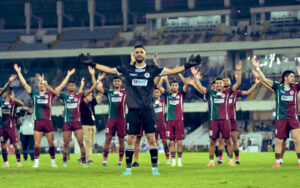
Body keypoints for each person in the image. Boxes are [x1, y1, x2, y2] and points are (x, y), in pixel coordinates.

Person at [77, 45, 201, 176]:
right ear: (134, 55)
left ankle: (154, 168)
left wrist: (187, 65)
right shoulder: (127, 69)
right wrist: (92, 63)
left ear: (145, 55)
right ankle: (128, 169)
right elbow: (108, 69)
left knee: (152, 139)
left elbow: (172, 71)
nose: (139, 54)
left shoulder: (152, 69)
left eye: (141, 52)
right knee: (130, 139)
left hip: (148, 110)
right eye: (137, 52)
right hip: (133, 111)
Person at [37, 70, 99, 167]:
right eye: (69, 86)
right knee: (66, 143)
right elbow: (53, 91)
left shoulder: (79, 95)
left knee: (80, 143)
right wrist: (45, 83)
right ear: (67, 87)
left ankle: (84, 162)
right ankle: (65, 162)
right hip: (67, 123)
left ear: (75, 87)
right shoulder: (64, 96)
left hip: (77, 123)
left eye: (72, 86)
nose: (71, 87)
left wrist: (94, 76)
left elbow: (91, 89)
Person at [252, 57, 300, 167]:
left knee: (297, 140)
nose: (294, 78)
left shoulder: (296, 87)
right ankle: (277, 161)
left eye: (294, 76)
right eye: (292, 76)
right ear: (285, 78)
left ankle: (299, 161)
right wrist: (258, 68)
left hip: (293, 118)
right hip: (281, 118)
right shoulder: (278, 87)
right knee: (279, 141)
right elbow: (264, 79)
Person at [191, 66, 239, 167]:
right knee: (212, 141)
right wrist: (195, 76)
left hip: (225, 120)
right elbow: (199, 87)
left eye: (220, 83)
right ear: (215, 85)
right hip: (214, 121)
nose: (219, 84)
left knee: (228, 141)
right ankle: (211, 162)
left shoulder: (227, 92)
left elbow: (237, 84)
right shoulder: (211, 93)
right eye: (217, 83)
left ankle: (231, 161)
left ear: (223, 84)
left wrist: (238, 72)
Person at [14, 64, 57, 168]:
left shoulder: (50, 94)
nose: (41, 85)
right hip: (38, 121)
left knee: (51, 143)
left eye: (43, 83)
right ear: (38, 86)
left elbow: (57, 90)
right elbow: (25, 85)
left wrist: (47, 84)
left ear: (46, 85)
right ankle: (36, 163)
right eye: (40, 83)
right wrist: (19, 72)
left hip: (48, 121)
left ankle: (53, 162)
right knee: (37, 143)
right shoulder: (34, 94)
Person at [216, 70, 260, 165]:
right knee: (221, 140)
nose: (226, 82)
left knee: (234, 139)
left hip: (232, 119)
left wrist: (256, 84)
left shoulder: (235, 92)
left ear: (231, 82)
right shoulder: (219, 93)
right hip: (222, 119)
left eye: (227, 80)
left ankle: (236, 159)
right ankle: (220, 159)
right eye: (224, 81)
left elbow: (248, 92)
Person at [95, 72, 127, 167]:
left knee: (121, 140)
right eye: (115, 81)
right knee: (108, 138)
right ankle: (105, 160)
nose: (117, 82)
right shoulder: (109, 92)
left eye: (118, 81)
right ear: (113, 84)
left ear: (121, 83)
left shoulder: (125, 93)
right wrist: (98, 80)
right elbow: (97, 88)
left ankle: (120, 160)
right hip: (111, 119)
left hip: (121, 119)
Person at [157, 74, 188, 167]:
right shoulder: (167, 95)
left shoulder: (181, 94)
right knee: (171, 142)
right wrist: (162, 77)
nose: (174, 87)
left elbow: (186, 84)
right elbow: (158, 87)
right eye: (172, 85)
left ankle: (179, 161)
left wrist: (179, 73)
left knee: (179, 142)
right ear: (170, 87)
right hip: (169, 121)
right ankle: (173, 161)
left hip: (179, 120)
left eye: (175, 85)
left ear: (178, 87)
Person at [0, 86, 24, 167]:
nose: (2, 93)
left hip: (11, 126)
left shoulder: (13, 102)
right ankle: (6, 163)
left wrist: (14, 98)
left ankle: (18, 162)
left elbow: (22, 104)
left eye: (4, 92)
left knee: (15, 144)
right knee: (3, 144)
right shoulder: (2, 102)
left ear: (8, 93)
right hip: (3, 126)